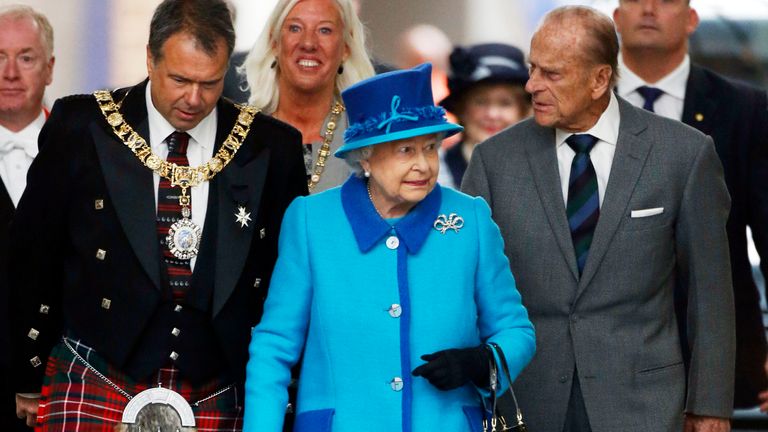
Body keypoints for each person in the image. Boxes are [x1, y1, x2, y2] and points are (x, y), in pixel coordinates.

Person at [9, 0, 307, 430]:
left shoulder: (270, 148)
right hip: (95, 369)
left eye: (210, 83)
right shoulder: (82, 126)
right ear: (150, 57)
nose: (194, 99)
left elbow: (287, 281)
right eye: (180, 79)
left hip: (219, 382)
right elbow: (32, 254)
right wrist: (27, 369)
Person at [463, 6, 734, 432]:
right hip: (525, 404)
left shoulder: (682, 154)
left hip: (643, 405)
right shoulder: (495, 160)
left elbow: (711, 294)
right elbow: (466, 285)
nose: (532, 85)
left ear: (599, 80)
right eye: (532, 69)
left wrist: (710, 406)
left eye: (551, 74)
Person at [243, 63, 535, 432]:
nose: (423, 165)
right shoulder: (311, 221)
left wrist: (482, 362)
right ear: (365, 157)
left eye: (430, 148)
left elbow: (515, 328)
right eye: (405, 150)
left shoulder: (470, 220)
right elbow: (274, 346)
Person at [613, 0, 768, 410]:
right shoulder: (581, 104)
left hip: (721, 354)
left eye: (664, 0)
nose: (648, 9)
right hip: (603, 358)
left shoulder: (745, 109)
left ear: (692, 18)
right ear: (615, 17)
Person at [242, 0, 375, 193]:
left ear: (346, 46)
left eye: (324, 30)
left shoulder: (366, 138)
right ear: (274, 42)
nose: (308, 43)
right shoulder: (239, 133)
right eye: (295, 28)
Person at [0, 5, 55, 431]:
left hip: (64, 387)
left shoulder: (88, 154)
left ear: (50, 68)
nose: (10, 73)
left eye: (26, 57)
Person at [437, 43, 530, 189]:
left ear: (523, 111)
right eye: (480, 102)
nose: (492, 115)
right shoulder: (435, 172)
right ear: (462, 109)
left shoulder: (544, 169)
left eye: (505, 103)